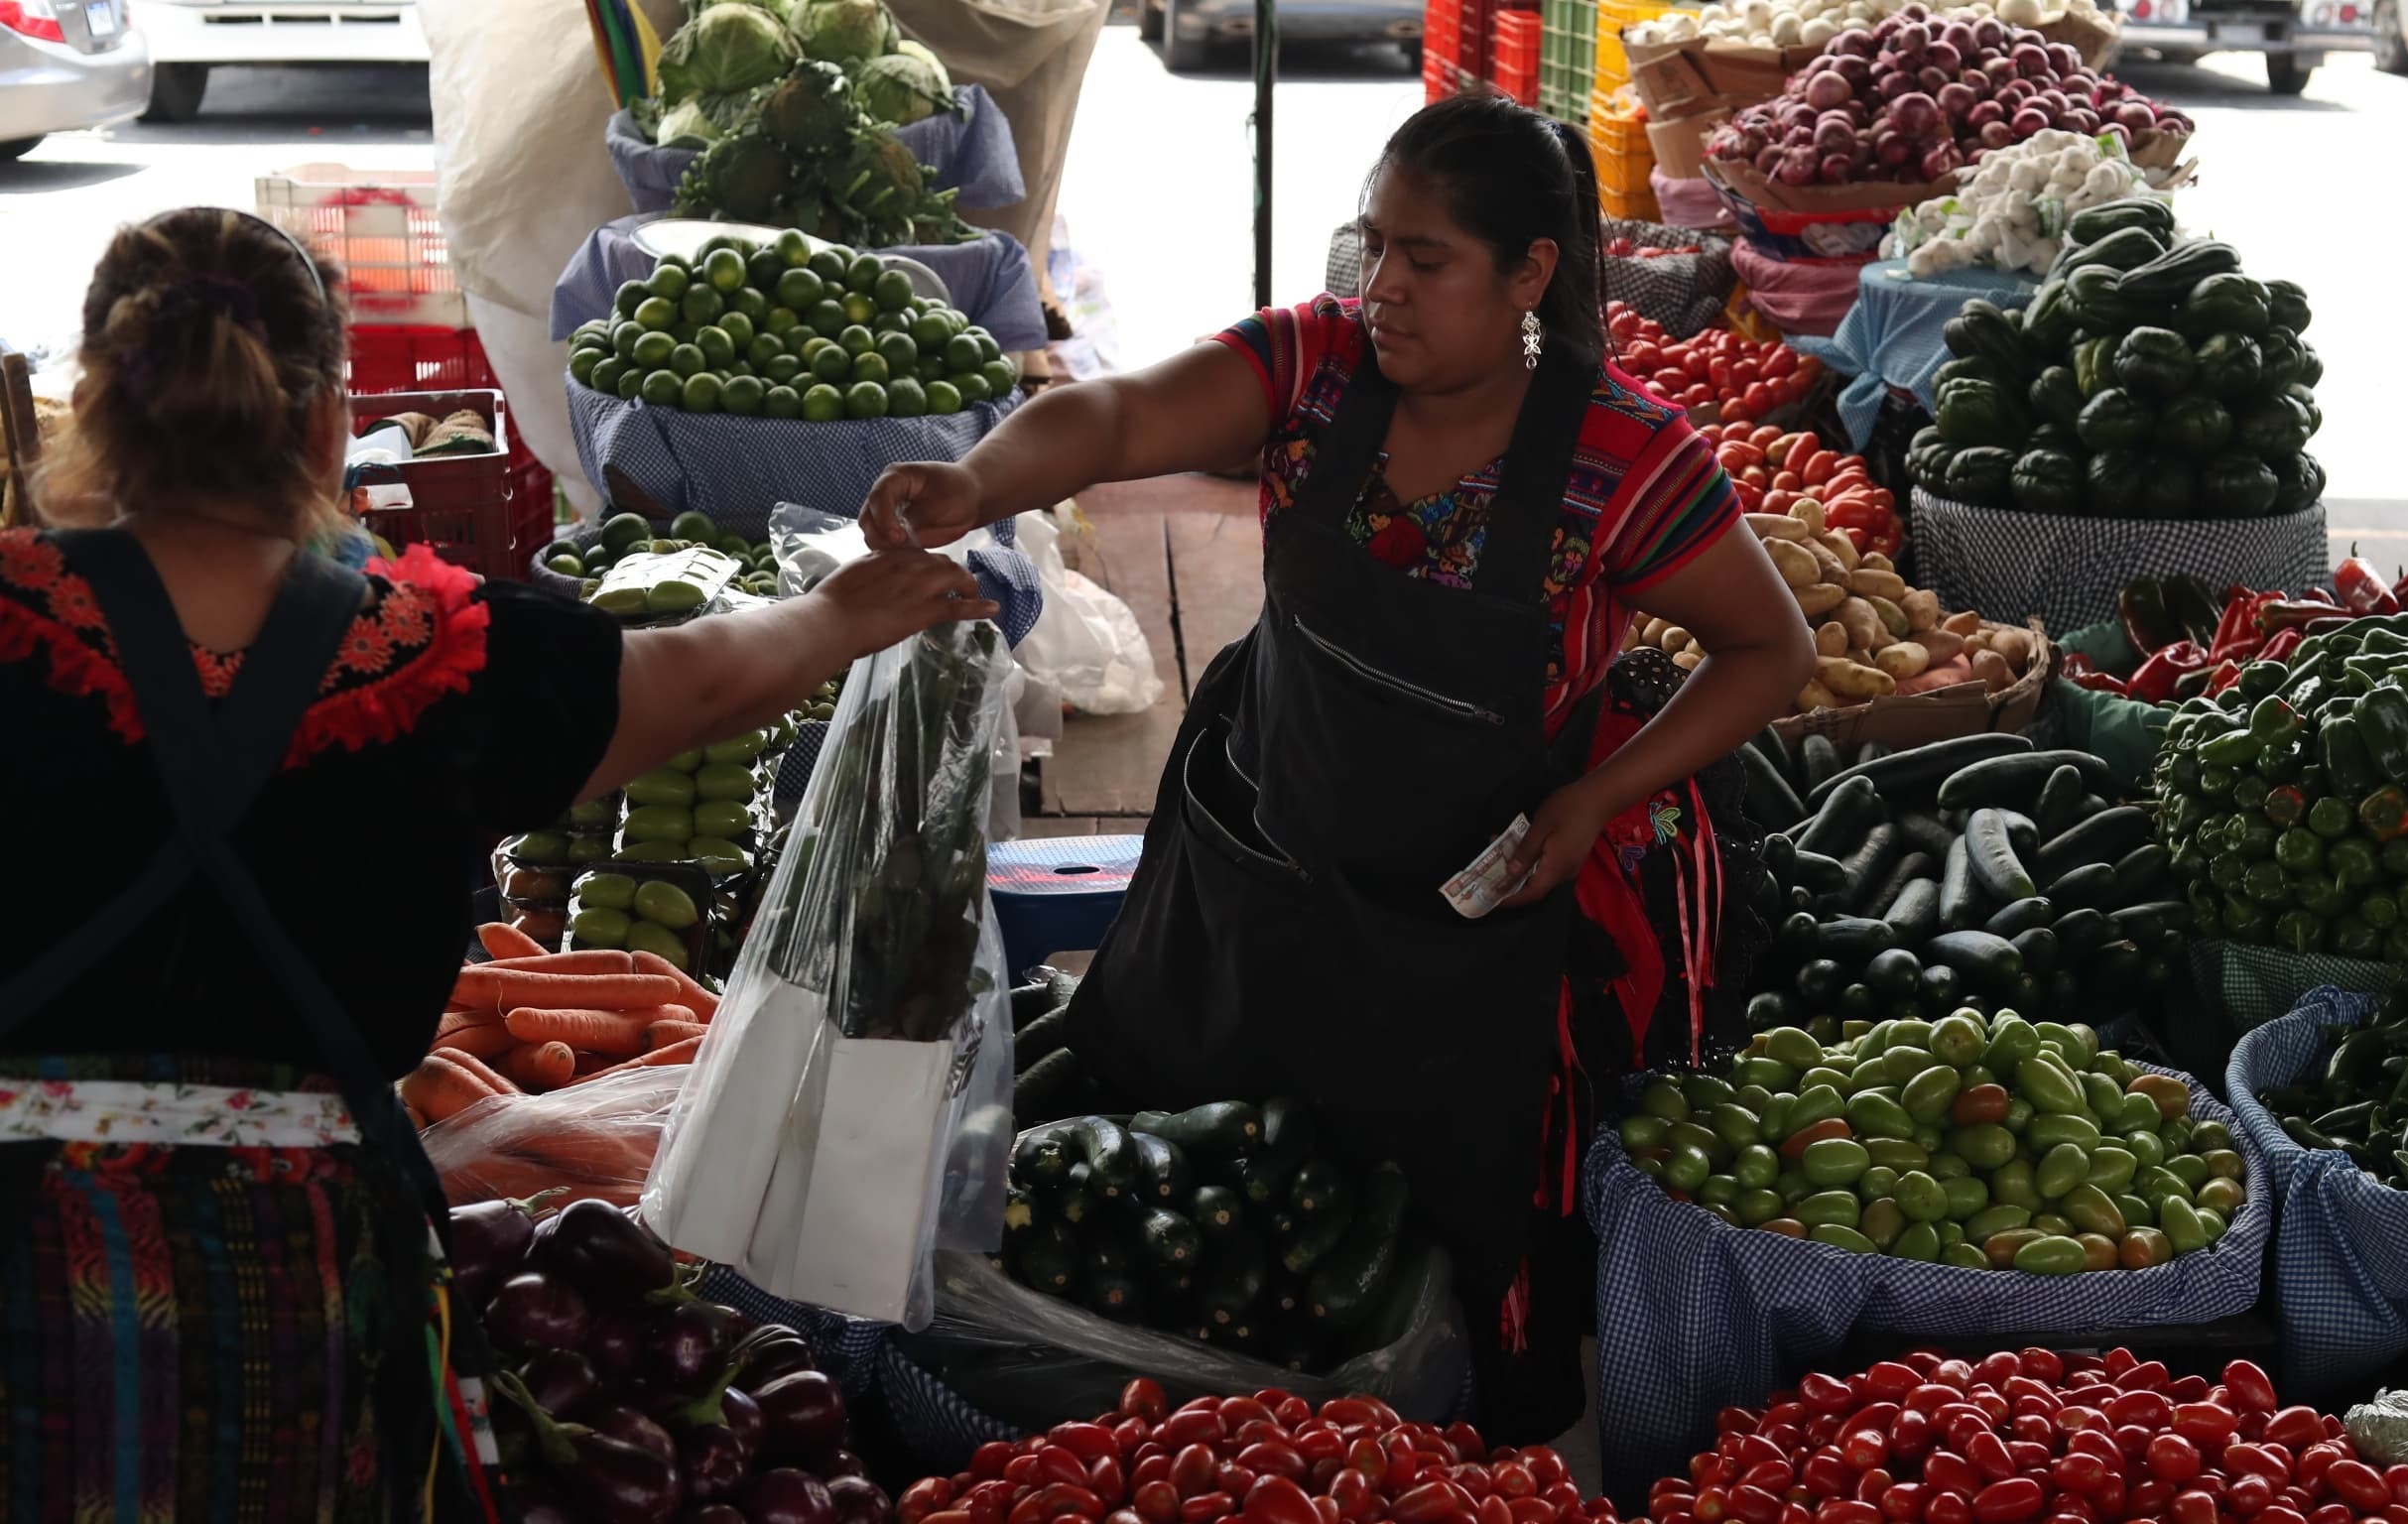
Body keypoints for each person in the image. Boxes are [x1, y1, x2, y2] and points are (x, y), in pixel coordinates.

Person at [0, 206, 995, 1519]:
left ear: (94, 410)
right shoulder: (446, 662)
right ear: (323, 422)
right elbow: (693, 685)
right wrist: (842, 608)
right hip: (308, 1287)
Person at [862, 92, 1815, 1438]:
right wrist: (977, 483)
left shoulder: (1623, 456)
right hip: (1266, 858)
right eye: (1373, 247)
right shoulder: (1313, 371)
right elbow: (1122, 418)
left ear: (1531, 272)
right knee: (1182, 1191)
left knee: (1422, 1228)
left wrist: (1597, 795)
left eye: (1427, 261)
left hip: (1464, 929)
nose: (1384, 290)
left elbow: (1768, 652)